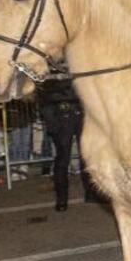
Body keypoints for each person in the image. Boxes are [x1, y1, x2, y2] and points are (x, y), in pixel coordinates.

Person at [37, 71, 99, 211]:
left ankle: (91, 193)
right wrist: (51, 122)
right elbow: (43, 96)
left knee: (86, 157)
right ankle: (62, 199)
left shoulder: (72, 59)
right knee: (62, 159)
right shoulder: (48, 65)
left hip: (80, 112)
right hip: (60, 116)